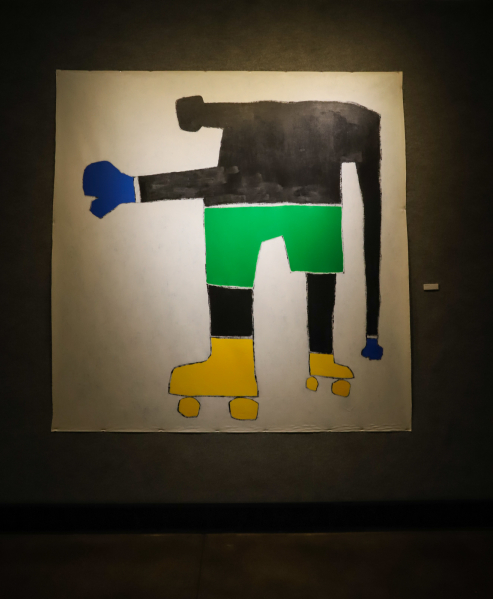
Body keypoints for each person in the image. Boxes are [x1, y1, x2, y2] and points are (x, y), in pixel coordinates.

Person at [83, 96, 383, 419]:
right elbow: (372, 203)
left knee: (232, 274)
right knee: (319, 264)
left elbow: (193, 119)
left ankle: (232, 367)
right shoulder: (355, 121)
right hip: (317, 201)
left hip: (238, 196)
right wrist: (371, 334)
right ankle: (321, 355)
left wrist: (133, 186)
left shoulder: (247, 123)